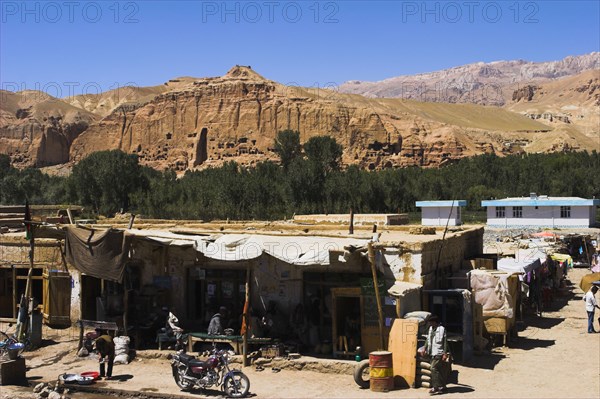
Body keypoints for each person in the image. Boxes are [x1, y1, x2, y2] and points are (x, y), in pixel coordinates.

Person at [423, 315, 450, 395]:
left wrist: (445, 353)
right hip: (432, 352)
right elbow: (428, 340)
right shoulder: (431, 329)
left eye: (431, 322)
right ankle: (443, 387)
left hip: (439, 352)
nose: (430, 324)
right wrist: (424, 347)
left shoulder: (442, 329)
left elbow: (445, 342)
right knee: (439, 370)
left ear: (435, 322)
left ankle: (436, 387)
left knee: (433, 368)